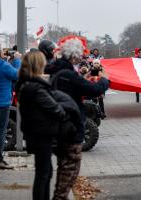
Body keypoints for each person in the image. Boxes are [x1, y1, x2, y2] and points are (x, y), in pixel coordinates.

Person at [45, 39, 109, 200]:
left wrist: (83, 78)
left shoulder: (58, 70)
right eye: (80, 55)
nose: (81, 58)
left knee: (63, 167)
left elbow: (77, 87)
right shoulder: (68, 74)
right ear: (73, 56)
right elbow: (94, 90)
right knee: (70, 168)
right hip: (70, 127)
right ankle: (59, 197)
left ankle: (61, 196)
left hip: (60, 125)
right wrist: (104, 80)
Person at [16, 51, 72, 200]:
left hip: (36, 133)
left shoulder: (26, 84)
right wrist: (64, 110)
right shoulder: (36, 88)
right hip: (41, 135)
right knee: (43, 174)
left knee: (46, 172)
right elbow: (56, 110)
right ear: (39, 65)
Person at [0, 43, 18, 170]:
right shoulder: (4, 66)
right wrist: (18, 60)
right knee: (0, 131)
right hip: (2, 104)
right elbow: (18, 75)